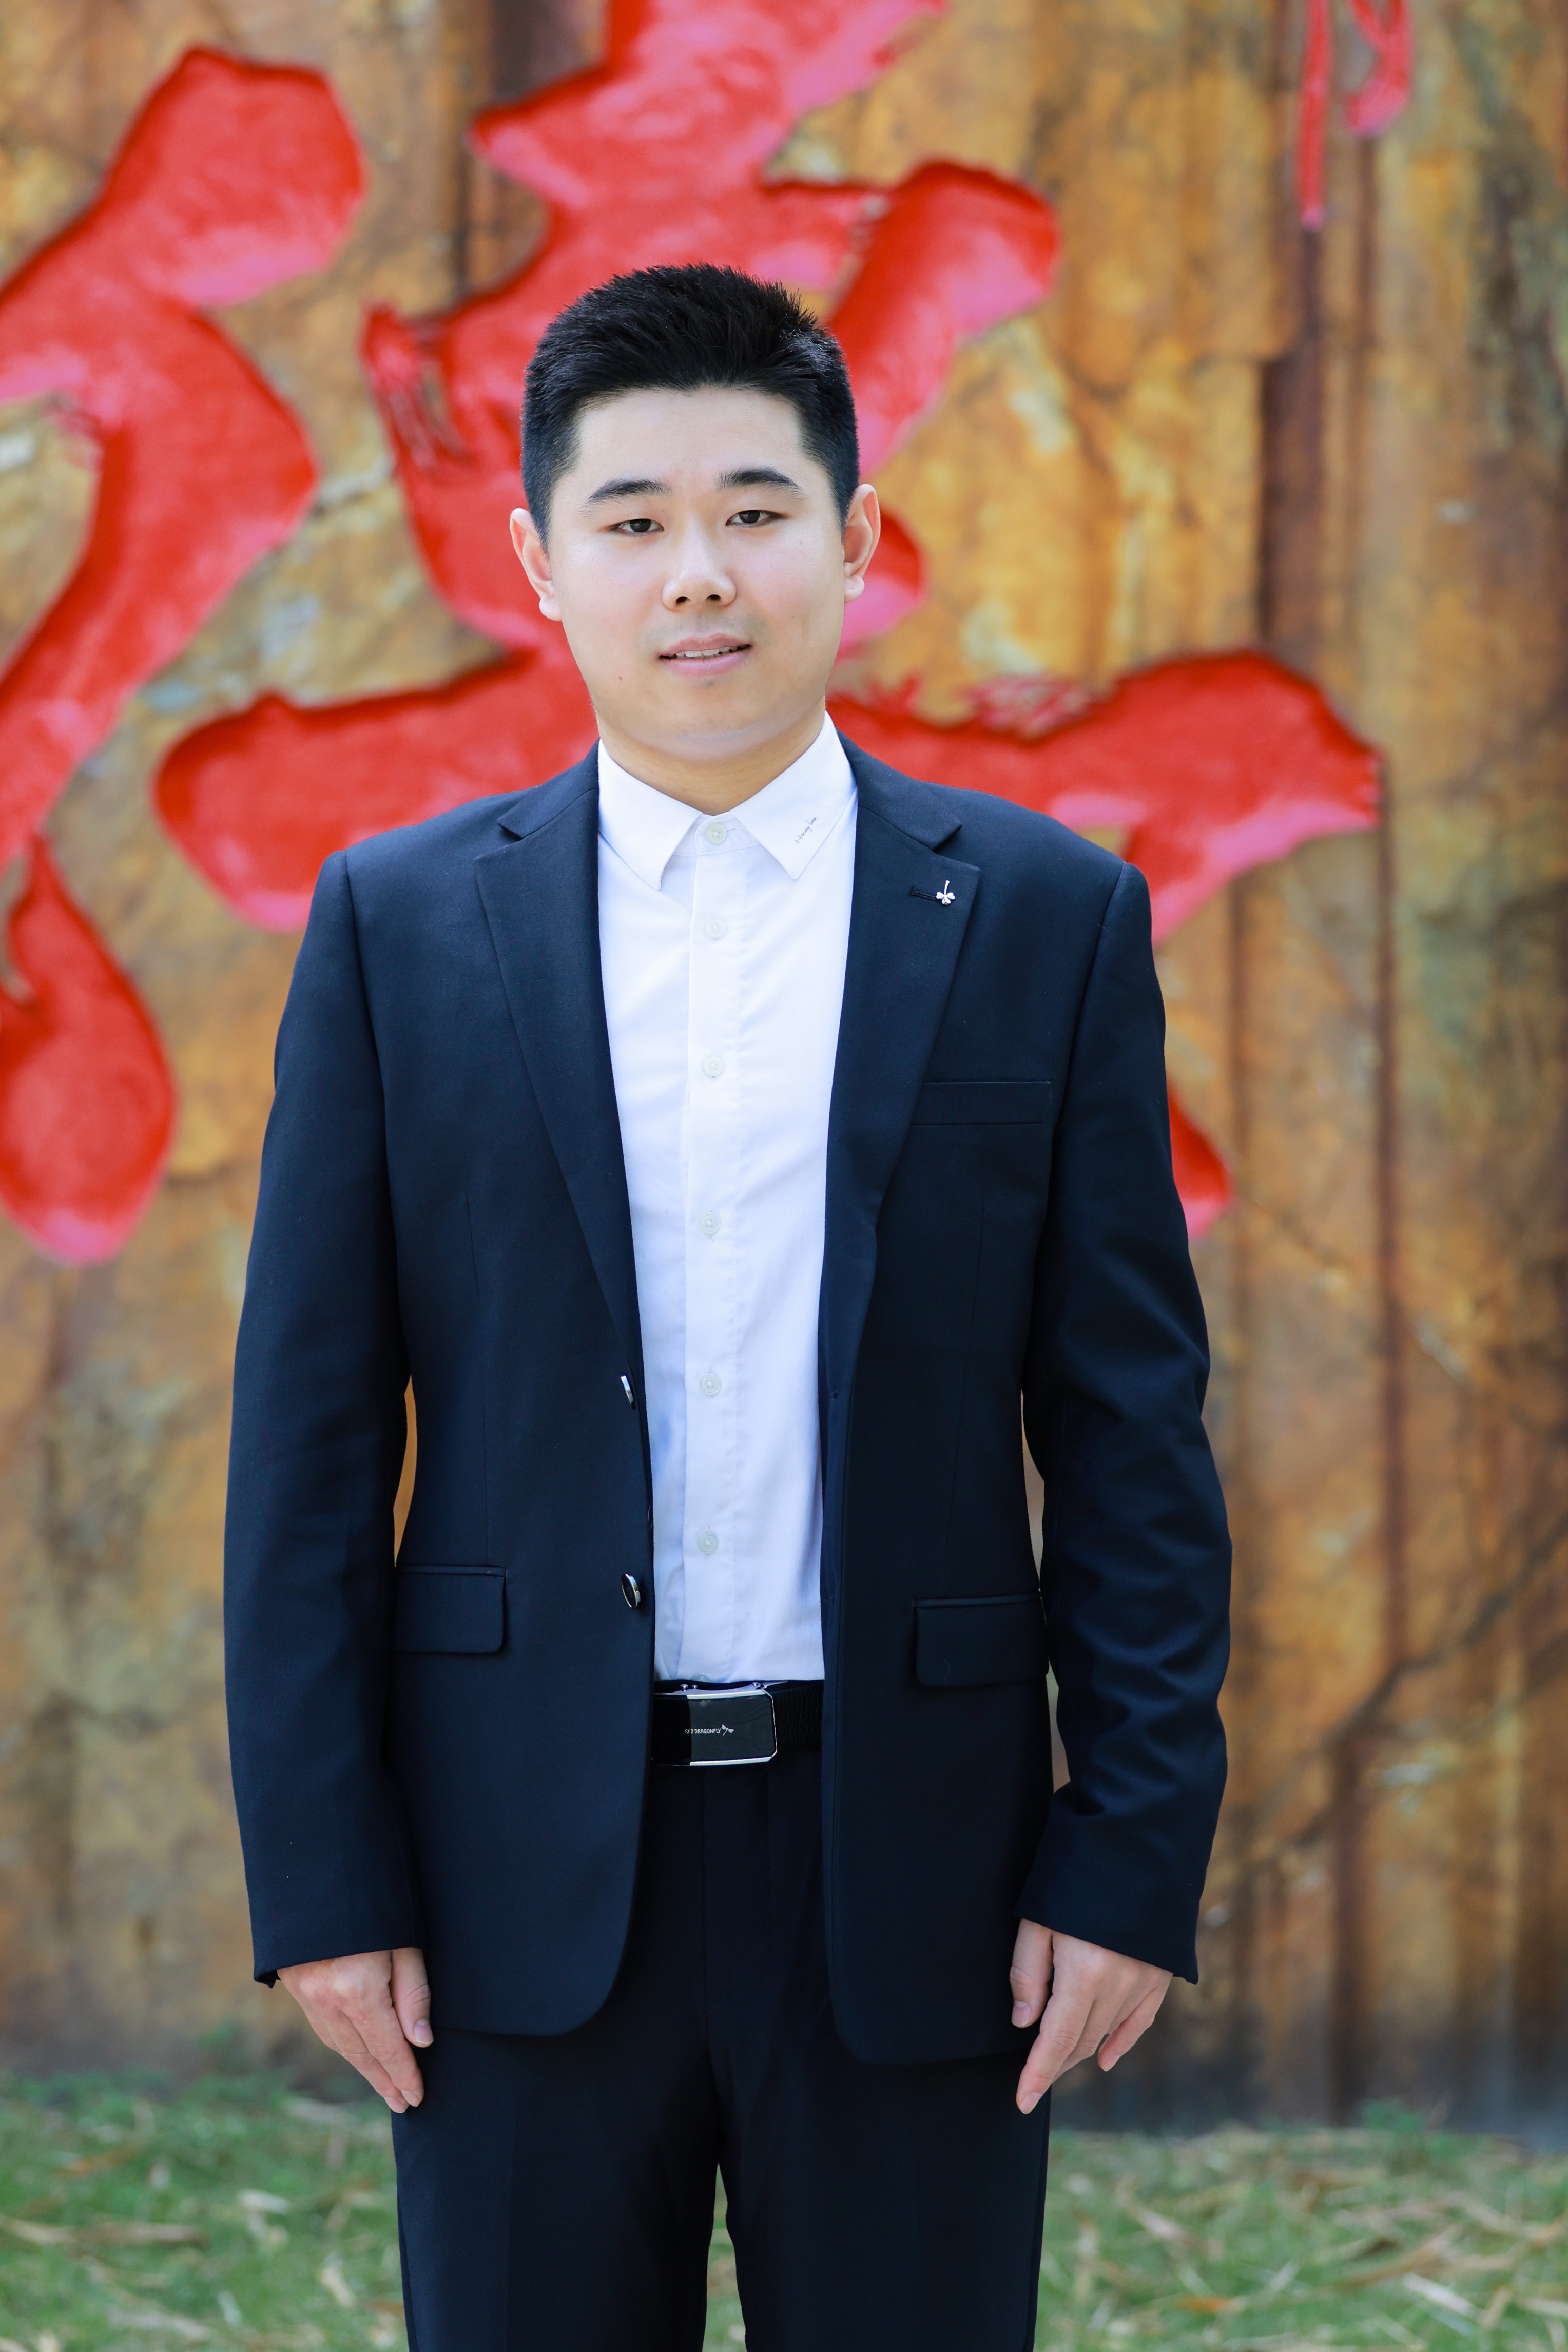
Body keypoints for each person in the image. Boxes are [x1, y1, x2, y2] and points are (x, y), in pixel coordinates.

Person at [224, 264, 1230, 2352]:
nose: (701, 572)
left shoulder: (1041, 921)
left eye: (757, 511)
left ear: (855, 543)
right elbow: (309, 1441)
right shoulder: (401, 929)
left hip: (918, 1875)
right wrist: (325, 1881)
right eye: (635, 520)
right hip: (510, 1868)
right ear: (540, 563)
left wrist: (1128, 1856)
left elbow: (1127, 1431)